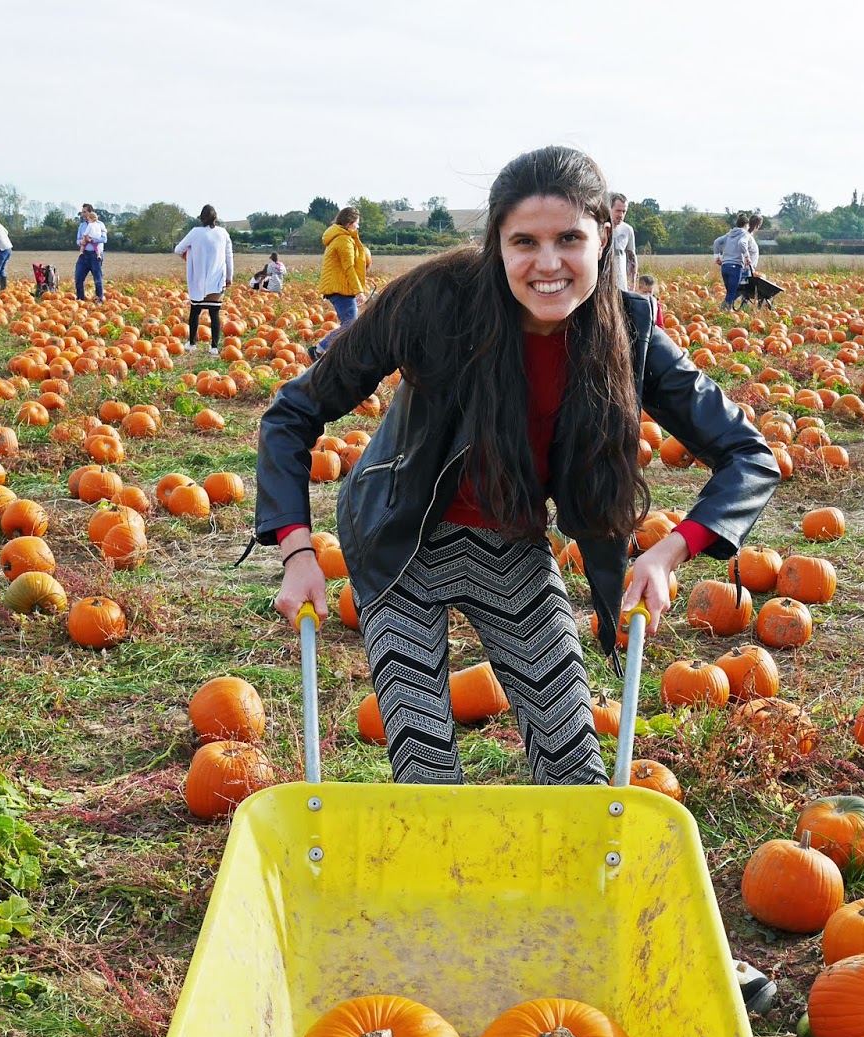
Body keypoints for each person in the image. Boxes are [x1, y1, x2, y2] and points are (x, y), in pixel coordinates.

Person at [254, 144, 779, 789]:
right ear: (496, 243)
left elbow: (748, 453)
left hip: (511, 542)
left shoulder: (631, 333)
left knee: (574, 763)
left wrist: (670, 551)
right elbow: (293, 412)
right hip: (401, 543)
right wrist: (296, 548)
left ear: (603, 237)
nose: (548, 264)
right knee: (426, 772)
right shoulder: (434, 303)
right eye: (524, 241)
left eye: (569, 239)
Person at [175, 204, 234, 355]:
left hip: (198, 279)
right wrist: (229, 277)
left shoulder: (195, 233)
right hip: (217, 279)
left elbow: (178, 249)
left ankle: (192, 343)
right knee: (214, 313)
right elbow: (229, 257)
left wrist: (191, 259)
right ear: (216, 218)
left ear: (201, 218)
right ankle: (214, 347)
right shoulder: (223, 233)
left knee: (195, 311)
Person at [314, 207, 370, 359]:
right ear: (350, 223)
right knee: (351, 324)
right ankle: (319, 349)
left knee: (350, 323)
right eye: (357, 223)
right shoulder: (343, 240)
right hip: (340, 288)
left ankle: (339, 353)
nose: (358, 227)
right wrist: (358, 290)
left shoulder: (341, 237)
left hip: (341, 286)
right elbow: (348, 267)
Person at [713, 214, 754, 309]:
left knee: (730, 292)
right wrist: (747, 257)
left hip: (725, 267)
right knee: (733, 292)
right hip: (735, 267)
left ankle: (728, 310)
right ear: (746, 224)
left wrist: (717, 257)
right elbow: (742, 243)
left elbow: (716, 242)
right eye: (748, 226)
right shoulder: (745, 234)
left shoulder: (729, 234)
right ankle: (724, 311)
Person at [75, 204, 108, 302]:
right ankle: (80, 300)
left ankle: (99, 300)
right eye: (82, 212)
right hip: (84, 254)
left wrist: (92, 240)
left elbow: (104, 239)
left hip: (95, 255)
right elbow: (77, 240)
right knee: (78, 278)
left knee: (97, 279)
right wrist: (82, 242)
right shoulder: (82, 226)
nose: (82, 214)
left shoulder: (100, 224)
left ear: (90, 212)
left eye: (84, 212)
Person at [609, 193, 637, 291]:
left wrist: (633, 283)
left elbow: (631, 257)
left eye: (624, 211)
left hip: (621, 283)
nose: (621, 215)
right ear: (610, 209)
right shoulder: (599, 228)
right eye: (618, 211)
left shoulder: (628, 230)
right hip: (602, 281)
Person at [0, 215, 13, 291]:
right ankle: (3, 289)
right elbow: (6, 232)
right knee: (2, 269)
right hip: (8, 247)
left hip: (2, 249)